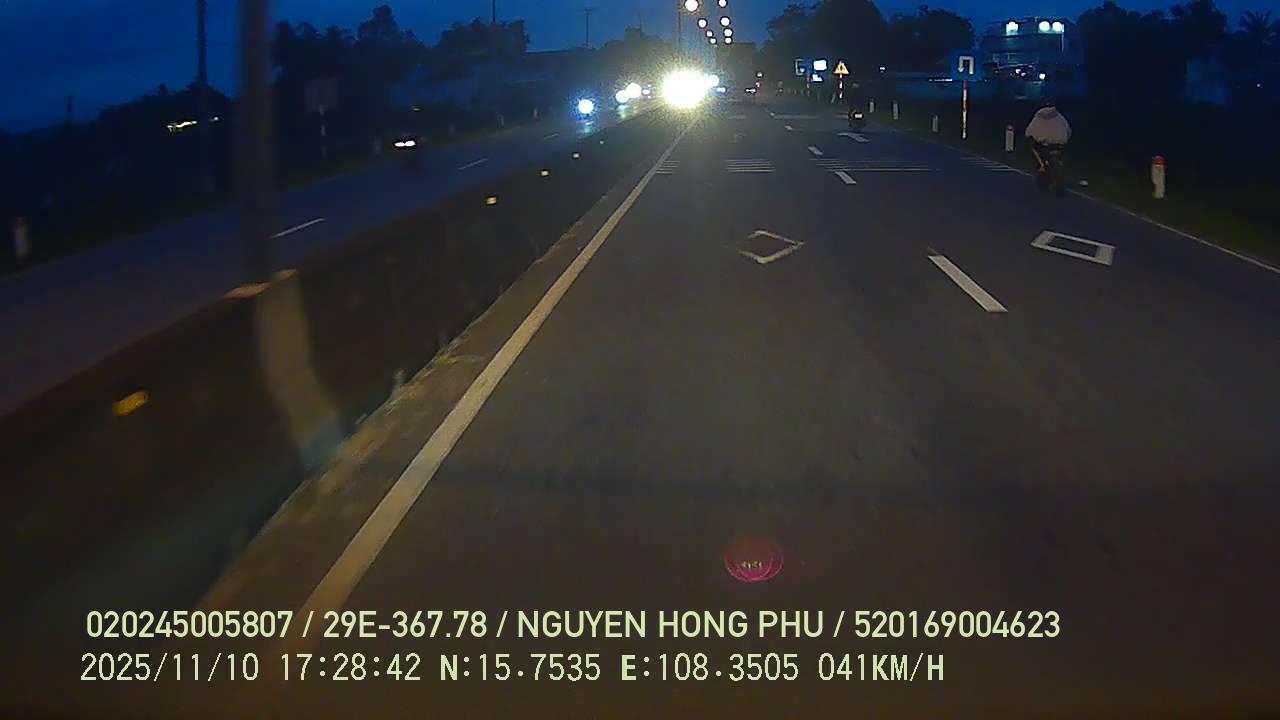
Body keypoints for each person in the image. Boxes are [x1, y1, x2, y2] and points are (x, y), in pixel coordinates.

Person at [1025, 98, 1071, 189]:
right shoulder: (1059, 116)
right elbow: (1068, 130)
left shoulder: (1039, 116)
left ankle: (1042, 166)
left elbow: (1030, 130)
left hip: (1045, 143)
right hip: (1059, 143)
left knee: (1033, 147)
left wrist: (1029, 135)